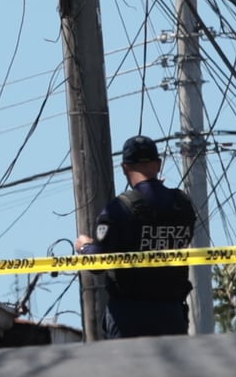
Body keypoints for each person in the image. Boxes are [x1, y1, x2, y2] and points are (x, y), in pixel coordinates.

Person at [85, 134, 200, 338]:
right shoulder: (182, 204)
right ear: (159, 165)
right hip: (171, 315)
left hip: (129, 316)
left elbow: (96, 264)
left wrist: (84, 247)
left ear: (125, 168)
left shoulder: (119, 208)